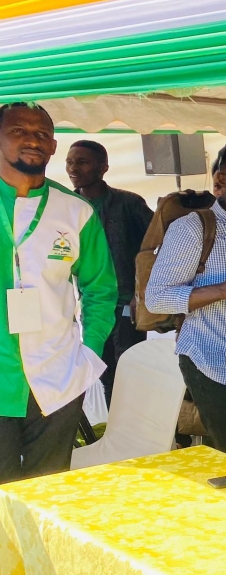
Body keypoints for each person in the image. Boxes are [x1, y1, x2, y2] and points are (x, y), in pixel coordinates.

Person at [0, 103, 117, 481]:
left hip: (57, 379)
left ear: (53, 147)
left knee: (48, 494)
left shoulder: (75, 211)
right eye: (19, 131)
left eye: (42, 134)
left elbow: (101, 289)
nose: (33, 139)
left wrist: (89, 352)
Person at [146, 141, 226, 461]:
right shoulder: (193, 229)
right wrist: (223, 290)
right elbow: (156, 298)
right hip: (212, 360)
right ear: (219, 183)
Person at [65, 139, 153, 401]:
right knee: (101, 368)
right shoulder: (67, 207)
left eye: (82, 161)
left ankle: (137, 430)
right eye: (69, 162)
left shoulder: (129, 203)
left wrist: (143, 294)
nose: (73, 168)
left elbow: (158, 245)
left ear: (103, 167)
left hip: (127, 303)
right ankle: (116, 431)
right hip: (92, 305)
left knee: (130, 369)